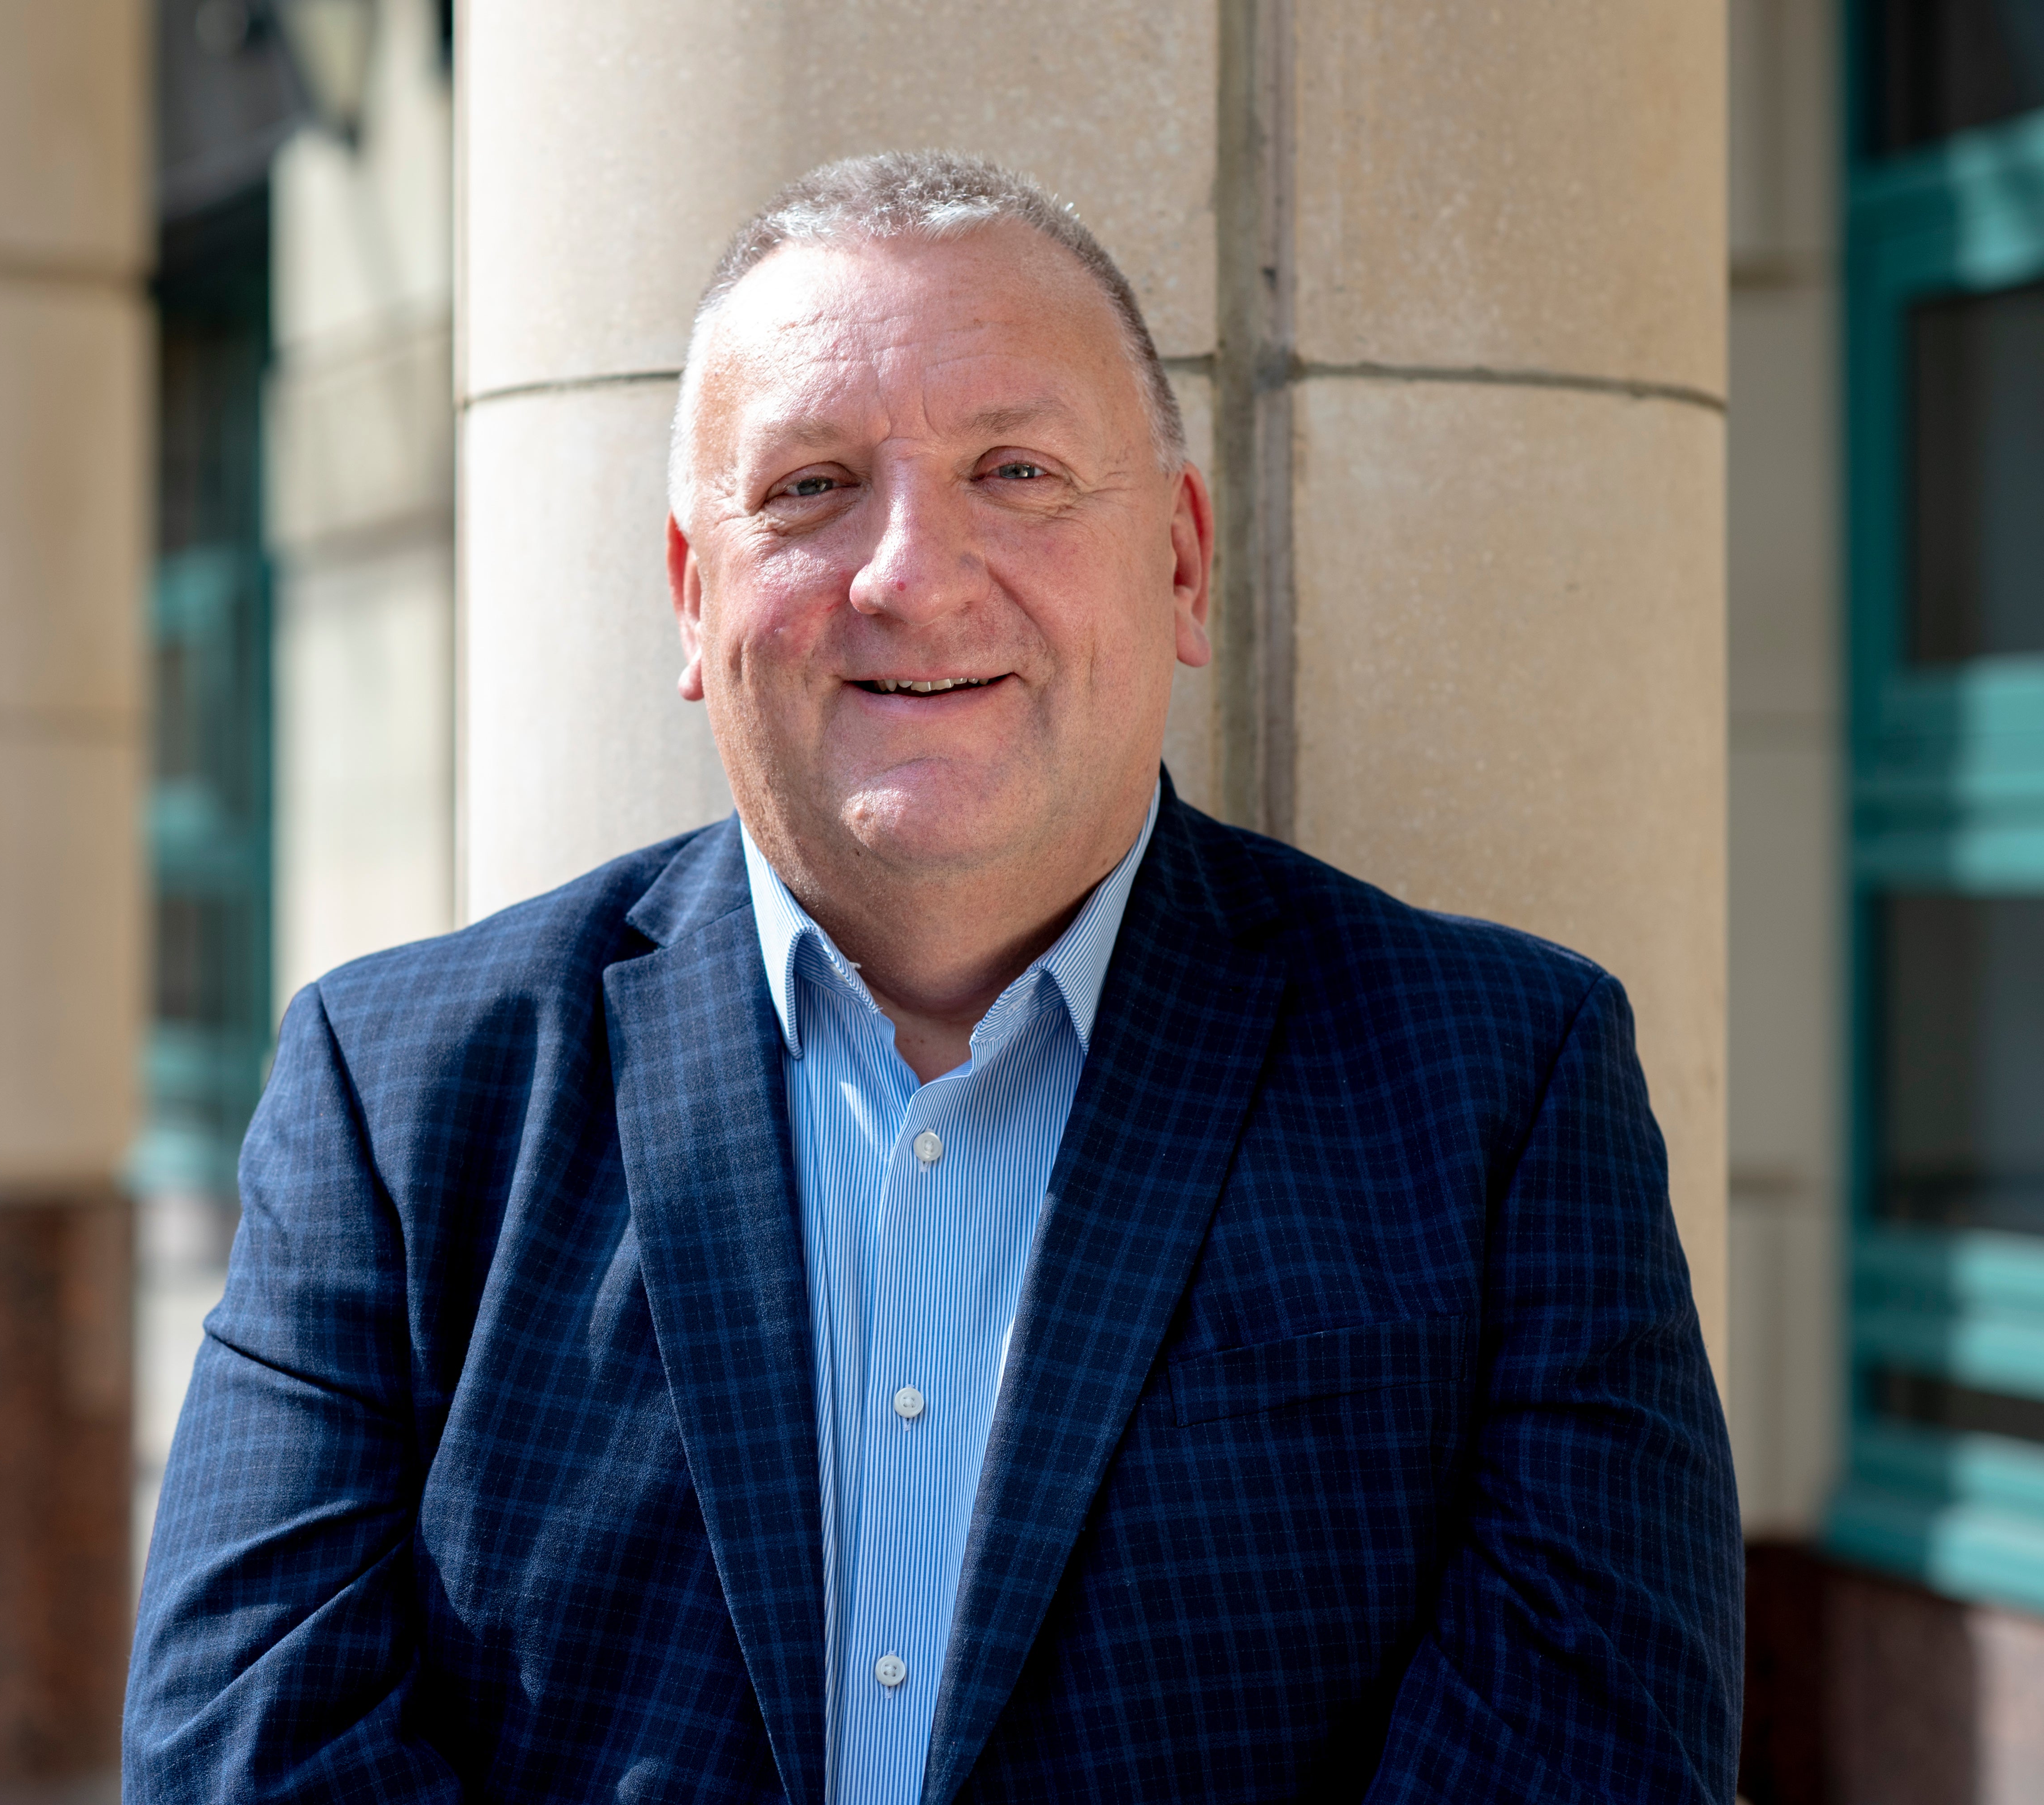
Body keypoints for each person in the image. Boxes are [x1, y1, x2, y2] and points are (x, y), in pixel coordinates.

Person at [123, 151, 1742, 1804]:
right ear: (695, 596)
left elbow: (1589, 1756)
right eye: (813, 487)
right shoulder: (400, 1093)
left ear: (1180, 565)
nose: (911, 574)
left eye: (1019, 470)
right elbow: (244, 1754)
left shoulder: (1499, 1081)